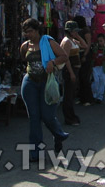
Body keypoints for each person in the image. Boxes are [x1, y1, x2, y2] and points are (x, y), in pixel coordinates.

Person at [19, 18, 71, 161]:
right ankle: (36, 153)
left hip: (47, 83)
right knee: (34, 118)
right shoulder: (25, 46)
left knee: (47, 115)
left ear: (37, 30)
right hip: (30, 83)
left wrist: (52, 62)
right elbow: (25, 60)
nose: (28, 34)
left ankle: (58, 135)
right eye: (26, 32)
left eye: (30, 31)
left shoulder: (48, 42)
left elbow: (64, 56)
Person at [60, 21, 86, 126]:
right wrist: (71, 73)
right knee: (68, 95)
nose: (76, 33)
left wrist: (78, 36)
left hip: (75, 69)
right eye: (74, 31)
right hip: (69, 70)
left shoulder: (72, 40)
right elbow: (66, 59)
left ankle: (72, 116)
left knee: (71, 94)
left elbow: (84, 45)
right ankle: (68, 117)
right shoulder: (66, 41)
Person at [91, 33, 105, 103]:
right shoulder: (95, 49)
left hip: (103, 67)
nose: (99, 43)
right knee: (96, 81)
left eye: (101, 41)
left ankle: (100, 97)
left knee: (102, 81)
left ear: (104, 41)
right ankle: (94, 95)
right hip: (95, 67)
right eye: (98, 41)